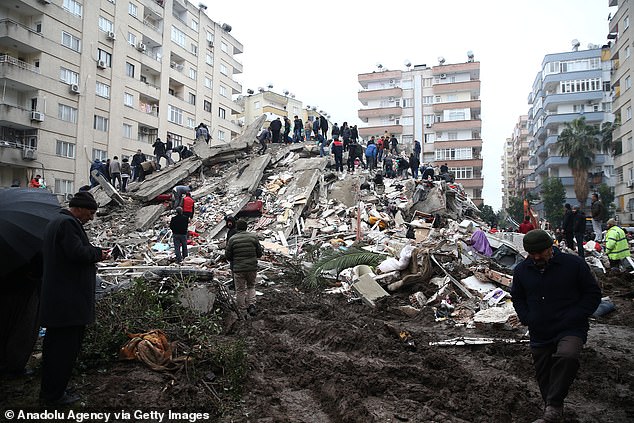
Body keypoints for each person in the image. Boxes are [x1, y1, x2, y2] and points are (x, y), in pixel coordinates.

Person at [511, 229, 601, 423]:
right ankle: (552, 411)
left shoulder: (573, 264)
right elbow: (517, 297)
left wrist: (576, 315)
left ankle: (553, 408)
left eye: (541, 252)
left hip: (570, 327)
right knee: (544, 374)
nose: (536, 257)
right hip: (539, 330)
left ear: (550, 247)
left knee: (567, 355)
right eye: (532, 254)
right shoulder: (522, 270)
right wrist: (526, 317)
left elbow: (592, 294)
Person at [39, 191, 109, 405]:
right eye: (90, 212)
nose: (91, 217)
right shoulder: (68, 224)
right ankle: (54, 396)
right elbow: (77, 253)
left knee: (54, 349)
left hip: (59, 301)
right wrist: (98, 253)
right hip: (68, 303)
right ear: (78, 208)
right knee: (63, 351)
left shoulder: (56, 223)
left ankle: (53, 389)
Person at [0, 254, 42, 378]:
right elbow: (39, 266)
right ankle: (13, 366)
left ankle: (4, 364)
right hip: (22, 289)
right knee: (22, 329)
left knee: (4, 328)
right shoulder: (25, 243)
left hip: (6, 287)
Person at [225, 219, 263, 318]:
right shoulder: (253, 237)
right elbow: (259, 253)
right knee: (251, 286)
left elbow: (228, 256)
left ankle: (242, 310)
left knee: (240, 290)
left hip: (238, 269)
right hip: (251, 267)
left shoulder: (232, 239)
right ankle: (251, 305)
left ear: (237, 228)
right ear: (246, 227)